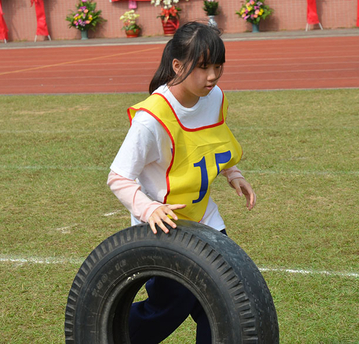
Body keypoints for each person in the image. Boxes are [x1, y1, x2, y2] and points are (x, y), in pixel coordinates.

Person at [107, 21, 256, 343]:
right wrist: (149, 210)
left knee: (219, 302)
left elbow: (215, 141)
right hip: (164, 227)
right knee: (169, 308)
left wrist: (234, 174)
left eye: (218, 66)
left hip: (205, 221)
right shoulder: (152, 118)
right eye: (203, 68)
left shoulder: (214, 97)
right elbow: (118, 176)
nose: (213, 76)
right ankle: (103, 334)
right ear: (178, 65)